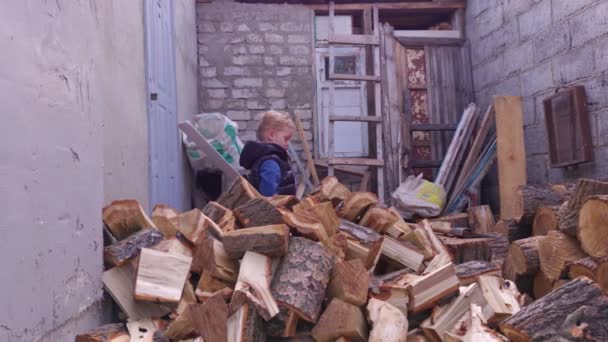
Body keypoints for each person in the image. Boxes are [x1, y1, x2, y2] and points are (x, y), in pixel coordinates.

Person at [239, 110, 297, 196]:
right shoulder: (271, 162)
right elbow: (269, 196)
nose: (288, 143)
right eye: (286, 138)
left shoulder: (269, 158)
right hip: (275, 208)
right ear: (271, 135)